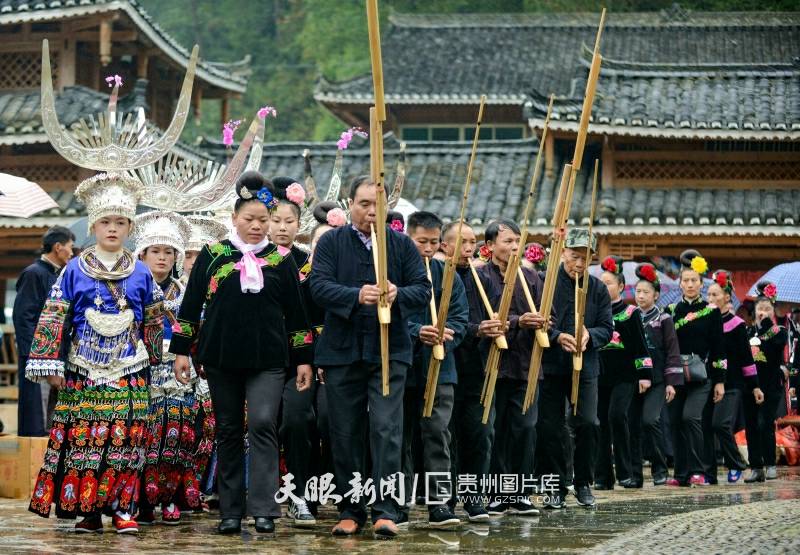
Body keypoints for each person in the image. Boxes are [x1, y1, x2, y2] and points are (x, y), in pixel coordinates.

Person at [170, 171, 314, 535]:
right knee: (229, 430)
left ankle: (264, 508)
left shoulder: (282, 261)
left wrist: (303, 360)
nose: (256, 226)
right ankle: (230, 511)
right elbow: (189, 306)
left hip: (268, 358)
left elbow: (298, 315)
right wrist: (181, 351)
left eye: (262, 221)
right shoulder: (212, 255)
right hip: (221, 357)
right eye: (249, 219)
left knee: (264, 423)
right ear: (233, 219)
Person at [26, 173, 164, 533]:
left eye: (120, 222)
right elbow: (54, 315)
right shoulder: (73, 269)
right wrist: (50, 363)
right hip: (83, 368)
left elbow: (152, 320)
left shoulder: (141, 272)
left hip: (129, 367)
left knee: (127, 438)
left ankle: (122, 510)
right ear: (94, 225)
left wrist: (155, 361)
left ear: (130, 227)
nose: (113, 229)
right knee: (86, 440)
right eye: (106, 222)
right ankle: (89, 509)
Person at [310, 175, 430, 539]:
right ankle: (351, 508)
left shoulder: (402, 246)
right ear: (349, 205)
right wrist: (353, 295)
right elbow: (317, 286)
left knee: (386, 429)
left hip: (389, 351)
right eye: (363, 204)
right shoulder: (332, 242)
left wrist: (398, 293)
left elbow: (422, 290)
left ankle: (386, 508)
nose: (370, 211)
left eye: (377, 205)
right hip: (342, 351)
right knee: (344, 431)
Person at [536, 228, 613, 509]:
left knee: (589, 423)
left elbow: (607, 328)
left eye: (585, 258)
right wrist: (557, 336)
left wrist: (590, 335)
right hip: (551, 366)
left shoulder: (598, 288)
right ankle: (555, 486)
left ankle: (583, 482)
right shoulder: (543, 283)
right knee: (551, 427)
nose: (579, 264)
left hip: (587, 367)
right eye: (574, 256)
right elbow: (539, 321)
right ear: (562, 252)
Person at [400, 211, 468, 528]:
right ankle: (397, 502)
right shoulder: (395, 272)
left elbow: (460, 319)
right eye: (421, 242)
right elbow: (392, 315)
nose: (427, 248)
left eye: (433, 242)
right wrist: (416, 331)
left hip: (441, 365)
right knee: (399, 436)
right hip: (402, 364)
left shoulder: (449, 274)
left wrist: (445, 334)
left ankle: (440, 503)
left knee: (438, 433)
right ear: (408, 239)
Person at [476, 219, 548, 516]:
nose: (514, 247)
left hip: (525, 365)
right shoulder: (480, 278)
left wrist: (542, 321)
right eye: (508, 241)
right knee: (494, 430)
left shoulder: (530, 277)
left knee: (525, 429)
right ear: (490, 246)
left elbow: (547, 313)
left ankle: (518, 493)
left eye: (518, 242)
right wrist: (517, 321)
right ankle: (494, 492)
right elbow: (479, 318)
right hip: (492, 365)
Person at [132, 211, 196, 525]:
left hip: (176, 372)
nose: (162, 257)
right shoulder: (131, 289)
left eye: (168, 252)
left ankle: (169, 496)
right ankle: (141, 500)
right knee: (144, 435)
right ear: (141, 254)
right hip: (140, 368)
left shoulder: (184, 293)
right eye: (155, 251)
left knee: (177, 434)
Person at [269, 176, 322, 527]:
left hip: (299, 360)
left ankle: (302, 494)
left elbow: (318, 313)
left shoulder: (308, 265)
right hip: (259, 360)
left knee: (298, 420)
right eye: (276, 221)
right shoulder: (246, 260)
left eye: (290, 222)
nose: (282, 228)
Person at [441, 220, 492, 522]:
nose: (470, 248)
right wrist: (475, 329)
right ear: (445, 245)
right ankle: (444, 499)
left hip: (476, 368)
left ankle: (475, 497)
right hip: (446, 363)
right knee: (445, 435)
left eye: (473, 241)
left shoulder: (480, 275)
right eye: (462, 242)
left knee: (479, 433)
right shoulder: (436, 275)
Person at [665, 250, 726, 487]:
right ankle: (680, 475)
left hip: (702, 376)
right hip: (677, 374)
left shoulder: (711, 312)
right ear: (679, 283)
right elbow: (666, 347)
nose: (690, 284)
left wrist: (719, 380)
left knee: (691, 417)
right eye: (685, 280)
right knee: (676, 421)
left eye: (694, 280)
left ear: (702, 283)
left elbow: (719, 349)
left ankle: (698, 471)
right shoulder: (671, 311)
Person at [182, 215, 229, 510]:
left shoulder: (221, 287)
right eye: (187, 254)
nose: (192, 261)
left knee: (216, 427)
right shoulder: (169, 289)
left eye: (199, 255)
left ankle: (211, 486)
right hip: (181, 370)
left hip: (212, 367)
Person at [595, 256, 653, 489]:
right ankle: (602, 477)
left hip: (625, 377)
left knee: (617, 416)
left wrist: (645, 375)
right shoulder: (594, 312)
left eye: (608, 282)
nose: (603, 286)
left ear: (620, 286)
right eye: (601, 282)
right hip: (600, 375)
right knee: (600, 424)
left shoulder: (630, 312)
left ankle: (626, 472)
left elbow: (641, 345)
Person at [13, 226, 75, 436]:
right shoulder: (34, 273)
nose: (72, 253)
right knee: (37, 423)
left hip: (59, 356)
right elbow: (24, 319)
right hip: (37, 361)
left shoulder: (59, 276)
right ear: (58, 247)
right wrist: (42, 363)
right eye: (70, 247)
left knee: (54, 423)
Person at [705, 269, 763, 484]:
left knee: (721, 424)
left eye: (715, 295)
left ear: (727, 297)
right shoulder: (706, 322)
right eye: (708, 295)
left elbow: (747, 359)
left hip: (733, 384)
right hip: (709, 381)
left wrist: (755, 386)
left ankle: (737, 463)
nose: (710, 299)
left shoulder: (737, 325)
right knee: (709, 426)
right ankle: (709, 472)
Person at [630, 263, 683, 486]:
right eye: (638, 291)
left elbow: (673, 352)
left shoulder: (664, 318)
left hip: (658, 380)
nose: (640, 296)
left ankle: (660, 468)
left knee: (651, 420)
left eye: (646, 292)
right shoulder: (628, 317)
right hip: (633, 380)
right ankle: (634, 474)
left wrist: (671, 383)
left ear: (656, 295)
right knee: (632, 424)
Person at [744, 281, 788, 482]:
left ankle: (770, 463)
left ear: (773, 311)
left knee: (764, 423)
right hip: (751, 385)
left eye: (766, 309)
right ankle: (756, 467)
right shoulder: (747, 332)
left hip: (771, 386)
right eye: (759, 309)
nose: (762, 312)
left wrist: (766, 326)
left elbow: (775, 349)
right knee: (752, 425)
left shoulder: (779, 331)